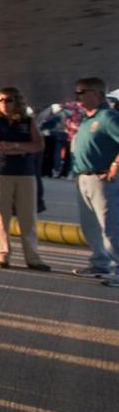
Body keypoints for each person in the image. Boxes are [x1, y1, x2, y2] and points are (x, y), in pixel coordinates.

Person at [0, 87, 48, 271]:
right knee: (1, 217)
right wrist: (24, 148)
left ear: (17, 102)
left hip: (26, 173)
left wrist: (13, 145)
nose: (4, 103)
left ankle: (33, 258)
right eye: (0, 100)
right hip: (0, 173)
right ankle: (2, 255)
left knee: (28, 217)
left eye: (9, 100)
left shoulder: (28, 122)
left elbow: (39, 145)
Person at [68, 77, 119, 286]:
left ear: (97, 93)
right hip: (84, 178)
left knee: (111, 227)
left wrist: (116, 165)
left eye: (81, 92)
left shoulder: (107, 116)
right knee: (91, 226)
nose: (77, 97)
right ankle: (100, 263)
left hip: (101, 179)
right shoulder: (89, 118)